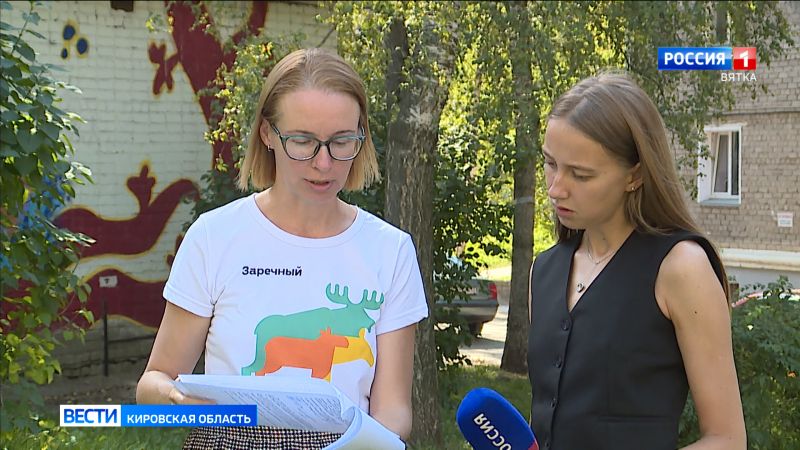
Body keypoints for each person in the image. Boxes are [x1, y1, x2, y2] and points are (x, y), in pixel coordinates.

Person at [136, 48, 428, 449]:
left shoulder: (390, 250)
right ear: (267, 134)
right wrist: (179, 400)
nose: (323, 163)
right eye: (303, 141)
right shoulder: (213, 237)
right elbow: (152, 384)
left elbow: (393, 413)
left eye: (342, 141)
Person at [527, 72, 746, 450]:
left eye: (580, 174)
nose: (555, 188)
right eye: (550, 163)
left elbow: (727, 440)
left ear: (636, 175)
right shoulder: (543, 270)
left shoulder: (681, 268)